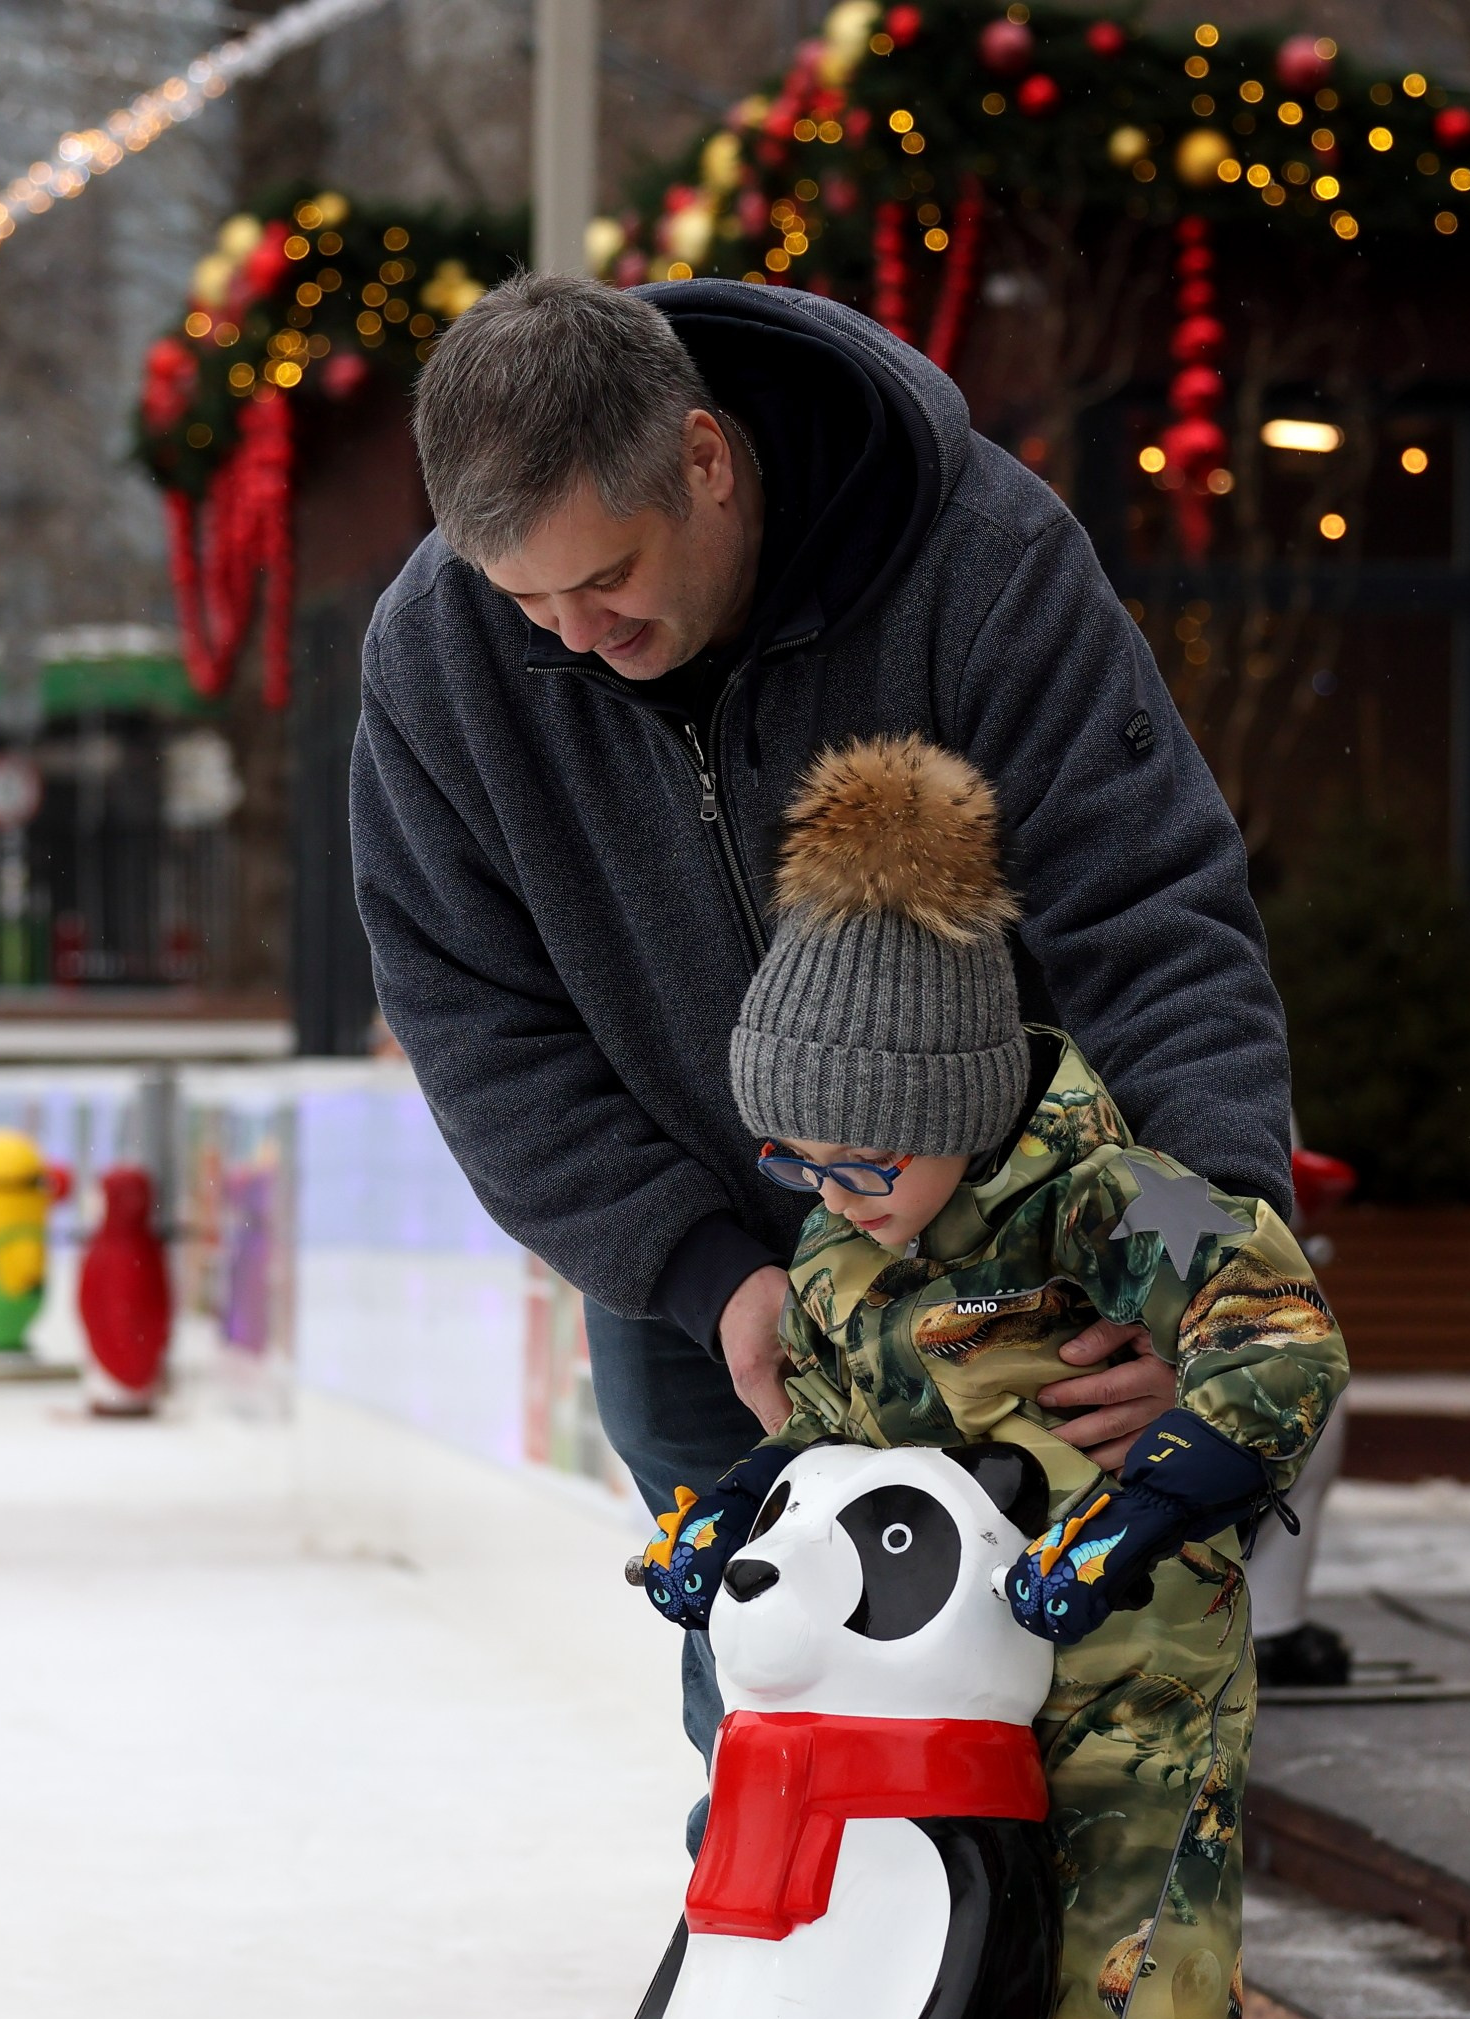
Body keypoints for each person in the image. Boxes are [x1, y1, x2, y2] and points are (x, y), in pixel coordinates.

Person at [352, 273, 1296, 1761]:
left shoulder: (975, 561)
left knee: (1047, 1707)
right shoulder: (438, 658)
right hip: (700, 1266)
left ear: (707, 460)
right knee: (773, 1709)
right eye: (525, 601)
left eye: (604, 578)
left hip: (1029, 1254)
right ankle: (787, 1975)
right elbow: (474, 1018)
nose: (574, 636)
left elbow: (1149, 920)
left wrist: (1195, 1271)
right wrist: (699, 1267)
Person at [632, 734, 1347, 2019]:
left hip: (1131, 1702)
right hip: (946, 1720)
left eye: (861, 1156)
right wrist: (737, 1518)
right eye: (799, 1159)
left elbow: (1281, 1331)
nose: (832, 1195)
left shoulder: (1104, 1198)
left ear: (956, 1098)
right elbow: (847, 1459)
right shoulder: (848, 1259)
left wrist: (1184, 1473)